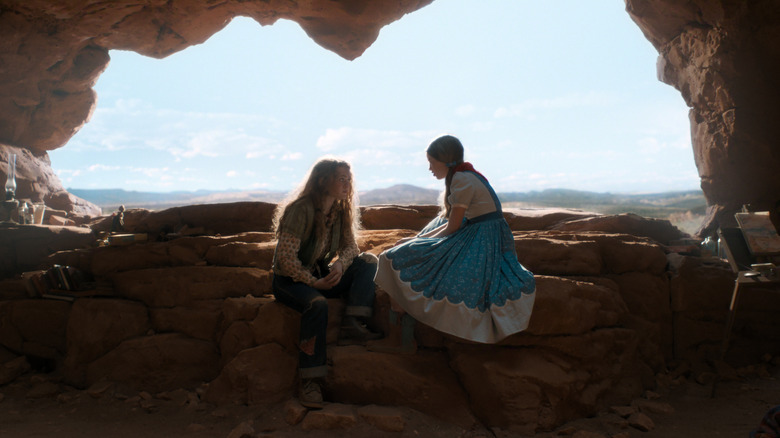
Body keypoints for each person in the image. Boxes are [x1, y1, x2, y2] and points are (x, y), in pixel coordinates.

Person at [373, 134, 536, 349]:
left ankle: (401, 339)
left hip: (480, 240)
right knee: (408, 253)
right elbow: (453, 222)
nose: (430, 168)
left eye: (432, 163)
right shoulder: (466, 175)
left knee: (393, 258)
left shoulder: (462, 179)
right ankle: (402, 334)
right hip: (479, 233)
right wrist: (418, 239)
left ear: (445, 160)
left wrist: (416, 242)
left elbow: (454, 226)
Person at [271, 157, 380, 409]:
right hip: (290, 281)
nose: (346, 184)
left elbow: (351, 246)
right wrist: (313, 282)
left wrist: (340, 264)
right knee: (317, 304)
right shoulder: (301, 209)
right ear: (323, 180)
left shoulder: (340, 210)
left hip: (319, 275)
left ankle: (353, 324)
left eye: (348, 179)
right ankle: (310, 381)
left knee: (368, 262)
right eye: (340, 178)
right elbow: (286, 260)